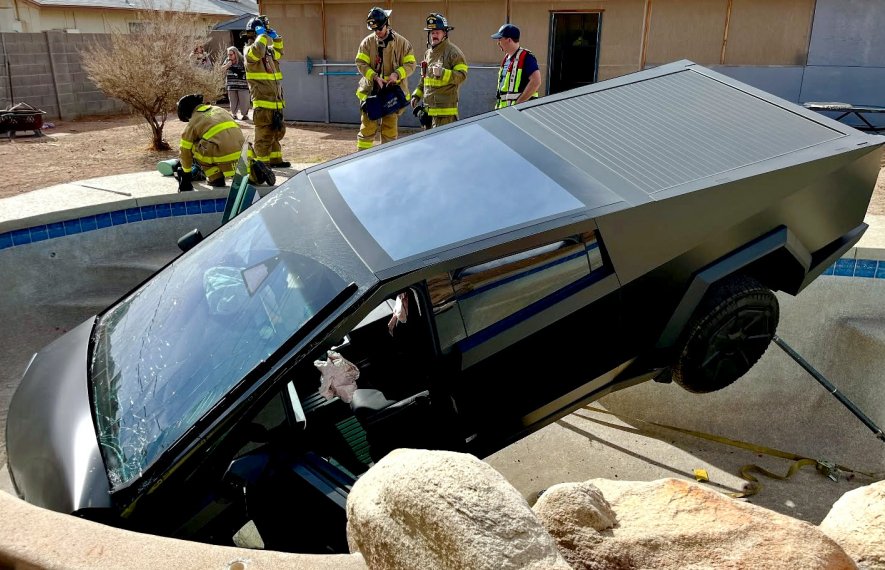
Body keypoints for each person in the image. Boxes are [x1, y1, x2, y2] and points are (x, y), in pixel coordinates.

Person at [355, 7, 416, 150]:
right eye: (374, 30)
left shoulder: (402, 43)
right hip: (371, 94)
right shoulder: (367, 43)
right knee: (367, 131)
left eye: (379, 29)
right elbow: (360, 63)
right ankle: (362, 162)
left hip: (391, 94)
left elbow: (411, 64)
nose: (377, 33)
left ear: (387, 24)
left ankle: (388, 164)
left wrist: (397, 74)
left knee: (389, 133)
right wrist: (374, 77)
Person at [175, 93, 250, 192]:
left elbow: (184, 152)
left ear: (187, 111)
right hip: (243, 153)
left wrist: (186, 174)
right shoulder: (220, 110)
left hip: (221, 155)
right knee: (218, 139)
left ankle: (215, 177)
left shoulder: (193, 122)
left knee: (192, 146)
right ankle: (254, 172)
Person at [244, 15, 290, 169]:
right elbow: (257, 52)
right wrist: (262, 35)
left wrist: (277, 39)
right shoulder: (248, 51)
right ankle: (261, 165)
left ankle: (276, 160)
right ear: (255, 33)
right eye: (263, 30)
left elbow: (278, 53)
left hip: (275, 102)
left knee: (276, 132)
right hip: (263, 103)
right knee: (263, 136)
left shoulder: (268, 52)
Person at [410, 13, 468, 129]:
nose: (434, 35)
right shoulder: (428, 53)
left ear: (445, 33)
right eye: (432, 33)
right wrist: (416, 95)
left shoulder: (453, 53)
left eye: (437, 32)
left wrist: (443, 73)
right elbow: (424, 79)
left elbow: (462, 76)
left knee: (444, 145)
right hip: (428, 110)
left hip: (445, 113)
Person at [491, 23, 541, 109]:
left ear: (509, 40)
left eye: (500, 39)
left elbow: (536, 82)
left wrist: (518, 104)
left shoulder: (526, 57)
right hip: (505, 111)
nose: (498, 43)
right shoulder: (506, 59)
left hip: (520, 113)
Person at [222, 46, 250, 121]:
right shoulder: (227, 61)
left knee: (244, 100)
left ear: (236, 54)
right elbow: (221, 70)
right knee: (233, 101)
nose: (229, 56)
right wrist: (228, 65)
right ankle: (234, 114)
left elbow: (248, 70)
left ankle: (245, 115)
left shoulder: (242, 60)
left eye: (231, 55)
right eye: (228, 54)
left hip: (243, 85)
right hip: (231, 85)